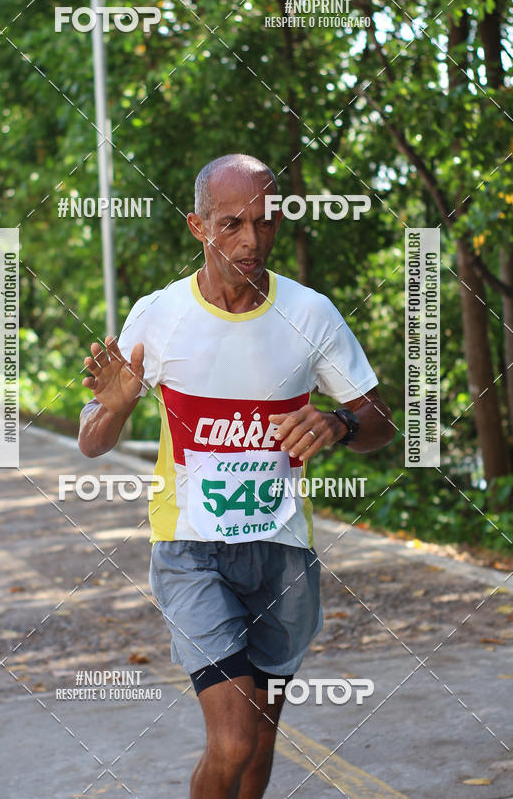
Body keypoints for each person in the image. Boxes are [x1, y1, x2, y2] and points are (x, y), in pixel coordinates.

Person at [78, 154, 394, 798]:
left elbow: (381, 420)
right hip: (191, 552)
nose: (251, 240)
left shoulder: (311, 315)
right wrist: (111, 409)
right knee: (233, 740)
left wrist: (339, 424)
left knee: (262, 736)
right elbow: (91, 441)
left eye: (265, 221)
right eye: (231, 225)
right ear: (197, 227)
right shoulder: (159, 316)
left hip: (281, 553)